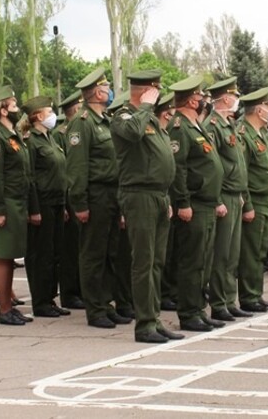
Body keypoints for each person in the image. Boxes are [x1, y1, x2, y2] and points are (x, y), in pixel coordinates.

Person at [111, 70, 183, 344]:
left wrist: (165, 197)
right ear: (146, 91)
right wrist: (144, 106)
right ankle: (144, 325)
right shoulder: (125, 117)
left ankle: (154, 319)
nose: (159, 94)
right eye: (156, 90)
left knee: (156, 263)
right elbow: (131, 133)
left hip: (157, 196)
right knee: (143, 262)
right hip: (138, 195)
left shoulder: (149, 118)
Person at [65, 68, 128, 329]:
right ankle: (95, 309)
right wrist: (79, 203)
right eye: (106, 88)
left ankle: (106, 302)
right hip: (95, 194)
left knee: (109, 252)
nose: (109, 91)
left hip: (112, 193)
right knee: (93, 254)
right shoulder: (82, 122)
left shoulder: (105, 120)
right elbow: (77, 167)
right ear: (98, 92)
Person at [168, 74, 225, 332]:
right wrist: (182, 202)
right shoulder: (179, 127)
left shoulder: (195, 125)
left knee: (204, 260)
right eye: (201, 96)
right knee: (192, 261)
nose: (204, 100)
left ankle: (199, 309)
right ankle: (189, 312)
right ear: (192, 101)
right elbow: (177, 169)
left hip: (206, 202)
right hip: (194, 203)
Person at [202, 77, 251, 322]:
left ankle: (230, 300)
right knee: (220, 254)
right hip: (223, 197)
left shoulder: (228, 125)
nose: (237, 100)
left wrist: (241, 195)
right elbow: (213, 167)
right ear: (226, 98)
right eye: (234, 96)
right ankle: (219, 303)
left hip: (235, 195)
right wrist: (218, 198)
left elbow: (237, 164)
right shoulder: (212, 125)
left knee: (232, 254)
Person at [0, 87, 32, 326]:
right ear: (2, 110)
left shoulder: (13, 136)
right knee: (2, 256)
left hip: (17, 202)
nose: (17, 107)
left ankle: (9, 307)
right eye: (13, 104)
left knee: (10, 255)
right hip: (5, 204)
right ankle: (3, 310)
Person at [22, 95, 70, 318]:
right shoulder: (31, 141)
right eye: (49, 112)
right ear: (38, 116)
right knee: (41, 254)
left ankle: (50, 298)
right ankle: (40, 301)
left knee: (55, 253)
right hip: (42, 202)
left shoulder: (50, 138)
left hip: (58, 201)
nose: (52, 116)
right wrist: (33, 209)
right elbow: (29, 177)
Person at [236, 88, 268, 313]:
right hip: (254, 199)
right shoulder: (244, 134)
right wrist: (248, 204)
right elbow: (243, 173)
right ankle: (248, 296)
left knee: (260, 252)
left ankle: (256, 293)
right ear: (259, 109)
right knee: (251, 252)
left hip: (266, 199)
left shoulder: (261, 132)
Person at [55, 91, 85, 311]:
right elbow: (67, 170)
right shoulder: (61, 134)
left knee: (82, 247)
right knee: (70, 249)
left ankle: (80, 289)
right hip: (69, 196)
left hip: (80, 194)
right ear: (74, 109)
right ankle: (69, 292)